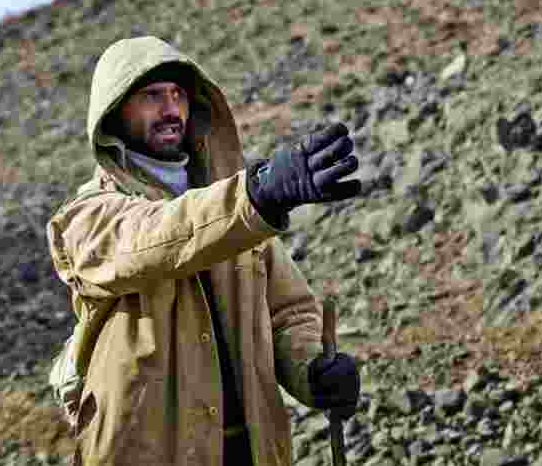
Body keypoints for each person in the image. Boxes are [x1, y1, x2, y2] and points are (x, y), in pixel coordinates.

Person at [46, 35, 362, 466]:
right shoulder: (87, 216)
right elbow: (157, 237)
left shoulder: (236, 209)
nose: (171, 108)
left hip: (250, 451)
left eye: (177, 94)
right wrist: (257, 193)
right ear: (115, 111)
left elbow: (287, 311)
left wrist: (312, 369)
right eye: (152, 96)